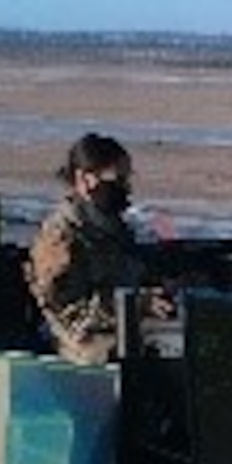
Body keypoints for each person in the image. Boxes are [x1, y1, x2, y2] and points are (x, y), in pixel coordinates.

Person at [26, 132, 148, 365]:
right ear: (84, 180)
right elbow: (74, 316)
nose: (125, 187)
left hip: (124, 330)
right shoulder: (60, 238)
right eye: (117, 178)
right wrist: (137, 304)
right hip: (85, 351)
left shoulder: (111, 227)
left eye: (126, 178)